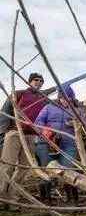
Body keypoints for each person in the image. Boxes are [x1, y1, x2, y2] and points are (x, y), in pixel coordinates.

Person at [0, 73, 50, 206]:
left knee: (24, 168)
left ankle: (12, 198)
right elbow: (5, 111)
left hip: (30, 136)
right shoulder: (19, 93)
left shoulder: (43, 99)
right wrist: (2, 132)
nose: (38, 82)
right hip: (15, 132)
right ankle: (1, 196)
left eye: (41, 81)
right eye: (36, 80)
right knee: (7, 165)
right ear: (29, 82)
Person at [34, 85, 81, 203]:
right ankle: (46, 201)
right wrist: (47, 132)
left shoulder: (76, 110)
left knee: (68, 170)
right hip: (47, 143)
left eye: (69, 99)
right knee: (48, 171)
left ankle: (72, 201)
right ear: (59, 97)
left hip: (68, 144)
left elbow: (85, 124)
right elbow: (38, 122)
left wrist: (76, 124)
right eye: (64, 98)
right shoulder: (48, 107)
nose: (66, 101)